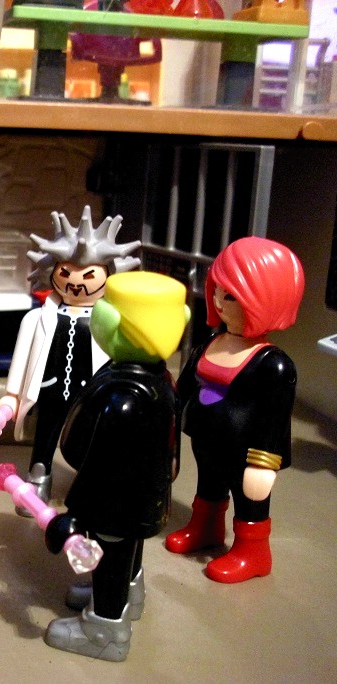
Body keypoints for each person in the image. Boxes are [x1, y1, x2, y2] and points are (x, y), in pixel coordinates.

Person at [44, 271, 189, 661]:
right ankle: (127, 593)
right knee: (127, 548)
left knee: (112, 547)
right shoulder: (160, 378)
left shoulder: (125, 396)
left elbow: (100, 464)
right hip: (142, 495)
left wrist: (75, 514)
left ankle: (105, 629)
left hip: (113, 500)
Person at [165, 237, 304, 583]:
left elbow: (274, 420)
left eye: (230, 296)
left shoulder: (273, 365)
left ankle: (253, 552)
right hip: (206, 442)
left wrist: (264, 463)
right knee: (209, 485)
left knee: (249, 499)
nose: (218, 301)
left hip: (245, 453)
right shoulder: (209, 344)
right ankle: (207, 526)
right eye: (216, 290)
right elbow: (184, 388)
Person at [0, 206, 140, 504]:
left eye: (89, 274)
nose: (76, 281)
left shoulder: (111, 323)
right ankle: (39, 479)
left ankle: (90, 488)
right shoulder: (36, 319)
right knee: (45, 438)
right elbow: (21, 360)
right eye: (65, 271)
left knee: (92, 441)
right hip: (50, 393)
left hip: (92, 397)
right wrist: (11, 396)